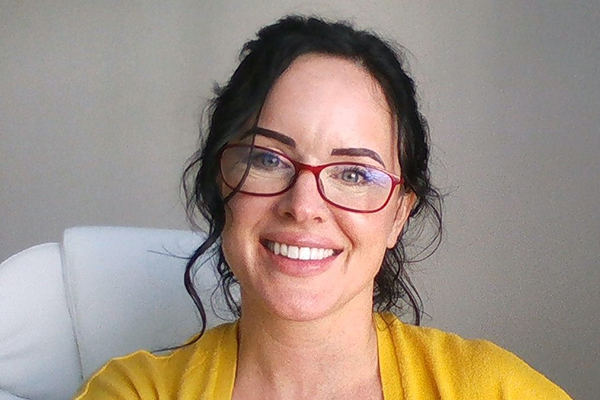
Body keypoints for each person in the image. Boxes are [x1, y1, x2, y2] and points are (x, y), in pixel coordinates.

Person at [74, 15, 573, 400]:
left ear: (399, 215)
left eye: (353, 173)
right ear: (220, 183)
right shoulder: (134, 392)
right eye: (268, 159)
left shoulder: (491, 389)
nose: (303, 205)